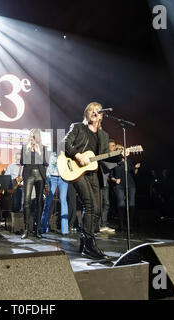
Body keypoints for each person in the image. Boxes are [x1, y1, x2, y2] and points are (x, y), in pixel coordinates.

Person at [63, 101, 122, 260]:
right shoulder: (77, 127)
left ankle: (84, 242)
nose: (95, 112)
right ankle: (90, 245)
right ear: (86, 114)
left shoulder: (104, 135)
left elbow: (103, 159)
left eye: (98, 111)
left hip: (93, 173)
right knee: (89, 204)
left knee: (96, 209)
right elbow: (65, 143)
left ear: (101, 116)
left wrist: (119, 157)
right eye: (91, 110)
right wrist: (77, 155)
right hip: (76, 169)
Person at [20, 128, 47, 239]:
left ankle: (37, 230)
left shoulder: (43, 148)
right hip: (28, 175)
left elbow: (45, 163)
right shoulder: (25, 147)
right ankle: (26, 229)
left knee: (39, 202)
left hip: (40, 175)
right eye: (31, 137)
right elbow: (22, 162)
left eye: (33, 137)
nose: (32, 139)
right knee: (26, 201)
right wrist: (27, 150)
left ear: (37, 137)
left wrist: (38, 151)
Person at [109, 144, 141, 233]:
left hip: (130, 184)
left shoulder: (128, 160)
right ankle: (121, 226)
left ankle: (130, 226)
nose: (121, 150)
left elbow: (133, 172)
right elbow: (110, 174)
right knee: (121, 205)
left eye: (122, 149)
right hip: (119, 185)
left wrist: (136, 168)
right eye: (119, 149)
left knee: (131, 205)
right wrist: (115, 180)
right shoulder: (114, 161)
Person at [40, 147, 69, 235]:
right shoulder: (51, 153)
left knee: (63, 201)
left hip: (63, 178)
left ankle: (65, 230)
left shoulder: (67, 154)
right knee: (48, 202)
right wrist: (47, 183)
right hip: (52, 178)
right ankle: (43, 227)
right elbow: (48, 169)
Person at [97, 139, 118, 234]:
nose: (114, 147)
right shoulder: (104, 156)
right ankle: (99, 225)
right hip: (99, 183)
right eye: (113, 146)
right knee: (100, 205)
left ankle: (103, 224)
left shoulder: (112, 157)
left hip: (106, 184)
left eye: (114, 145)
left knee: (106, 204)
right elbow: (109, 166)